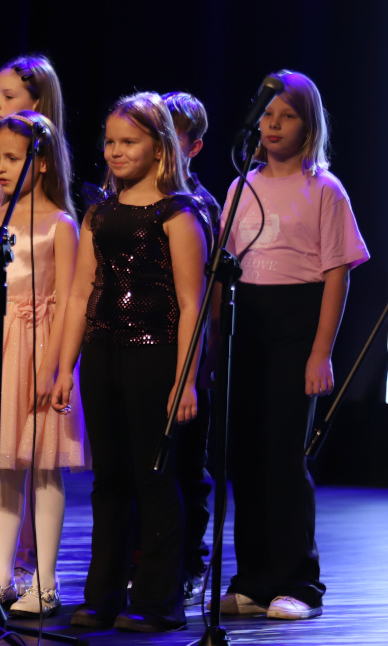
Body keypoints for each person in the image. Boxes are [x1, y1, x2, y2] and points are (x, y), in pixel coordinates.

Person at [218, 71, 368, 621]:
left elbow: (337, 274)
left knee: (282, 454)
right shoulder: (240, 186)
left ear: (309, 126)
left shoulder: (324, 189)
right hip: (247, 321)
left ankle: (298, 583)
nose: (274, 125)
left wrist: (320, 352)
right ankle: (253, 579)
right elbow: (222, 268)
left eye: (288, 116)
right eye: (268, 114)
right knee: (244, 456)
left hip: (296, 322)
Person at [57, 92, 208, 632]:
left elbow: (191, 304)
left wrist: (185, 380)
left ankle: (158, 601)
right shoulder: (99, 213)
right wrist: (63, 367)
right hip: (103, 353)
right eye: (110, 142)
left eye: (129, 142)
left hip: (156, 355)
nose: (115, 151)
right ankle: (102, 596)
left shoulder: (179, 214)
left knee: (154, 477)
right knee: (110, 479)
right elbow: (81, 293)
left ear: (160, 147)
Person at [0, 111, 85, 619]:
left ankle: (45, 582)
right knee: (2, 466)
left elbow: (68, 300)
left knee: (44, 466)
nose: (1, 168)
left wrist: (57, 367)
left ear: (41, 162)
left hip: (39, 345)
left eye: (13, 158)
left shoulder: (59, 226)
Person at [163, 91, 221, 605]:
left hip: (189, 352)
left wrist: (203, 363)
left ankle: (186, 563)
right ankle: (144, 559)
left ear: (194, 146)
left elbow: (210, 296)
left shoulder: (202, 206)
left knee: (186, 464)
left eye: (172, 133)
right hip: (138, 345)